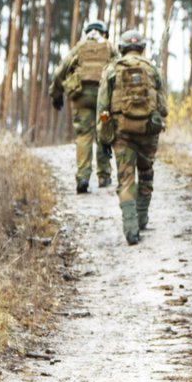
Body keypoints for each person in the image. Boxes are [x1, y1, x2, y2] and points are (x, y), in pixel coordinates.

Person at [98, 31, 166, 245]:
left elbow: (102, 107)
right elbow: (163, 107)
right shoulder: (152, 69)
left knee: (126, 181)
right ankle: (142, 218)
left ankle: (131, 229)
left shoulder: (111, 70)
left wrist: (104, 137)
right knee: (146, 174)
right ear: (142, 48)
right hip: (148, 131)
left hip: (122, 132)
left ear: (122, 48)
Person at [49, 20, 115, 194]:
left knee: (84, 135)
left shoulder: (79, 48)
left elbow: (59, 72)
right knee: (103, 132)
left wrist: (56, 95)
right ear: (104, 33)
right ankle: (104, 176)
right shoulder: (109, 47)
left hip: (82, 99)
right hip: (104, 102)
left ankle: (83, 178)